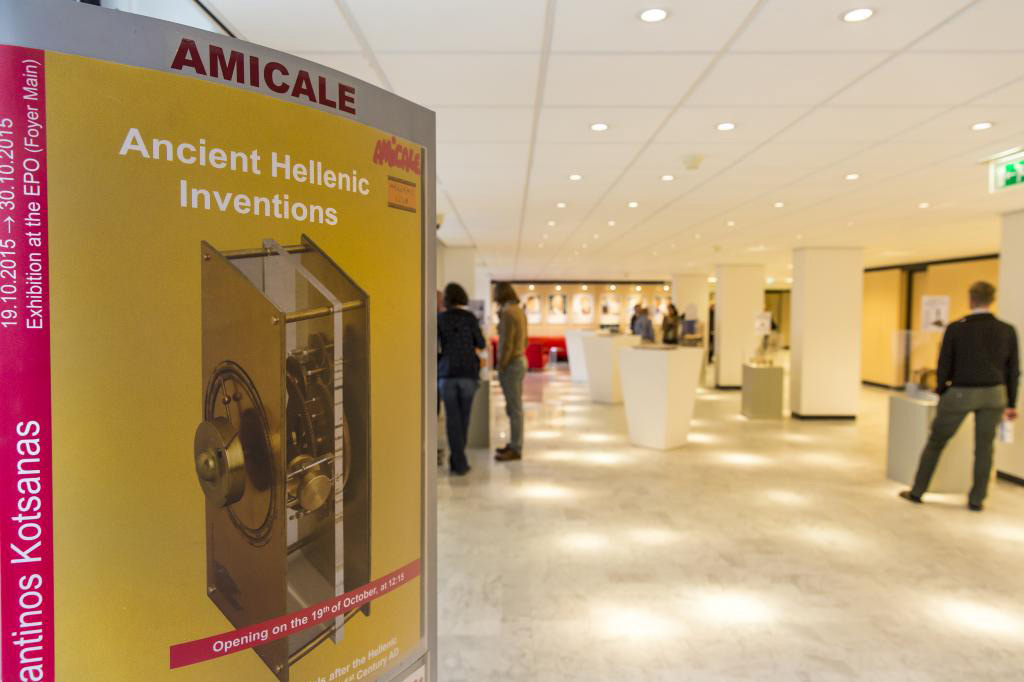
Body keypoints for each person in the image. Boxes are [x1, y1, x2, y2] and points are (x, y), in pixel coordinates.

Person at [900, 281, 1020, 511]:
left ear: (971, 299)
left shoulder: (957, 328)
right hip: (995, 394)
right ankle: (977, 499)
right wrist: (1011, 402)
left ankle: (917, 491)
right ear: (991, 300)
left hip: (961, 392)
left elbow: (944, 363)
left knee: (936, 442)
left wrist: (941, 390)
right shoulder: (1006, 330)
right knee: (985, 448)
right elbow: (1013, 369)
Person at [437, 282, 485, 476]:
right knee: (464, 419)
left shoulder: (440, 319)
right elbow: (480, 343)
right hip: (468, 373)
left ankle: (458, 460)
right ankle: (459, 461)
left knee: (452, 419)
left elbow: (435, 347)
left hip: (447, 374)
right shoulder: (470, 318)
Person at [494, 282, 527, 462]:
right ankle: (515, 443)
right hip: (519, 360)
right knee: (515, 407)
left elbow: (506, 343)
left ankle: (516, 447)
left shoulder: (508, 312)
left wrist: (501, 365)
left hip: (512, 364)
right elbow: (524, 340)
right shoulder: (519, 311)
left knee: (514, 408)